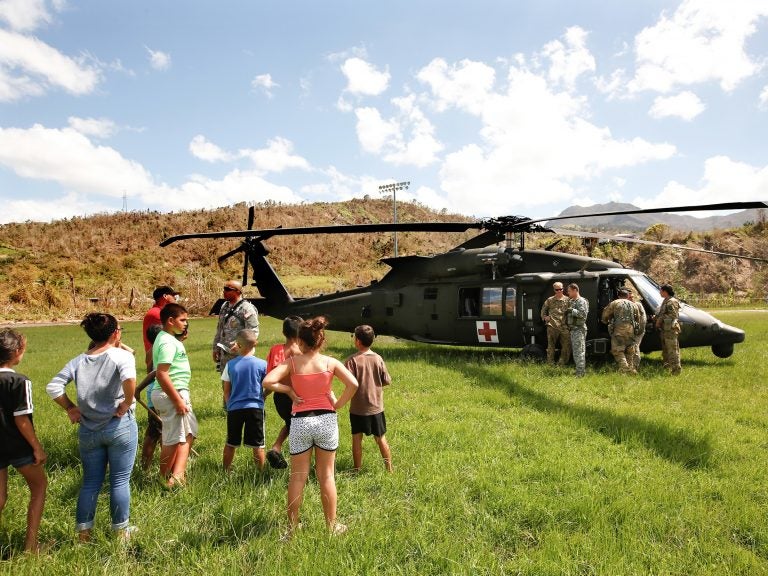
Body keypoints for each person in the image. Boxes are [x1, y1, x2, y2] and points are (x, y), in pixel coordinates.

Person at [263, 317, 358, 539]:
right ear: (320, 340)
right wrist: (337, 404)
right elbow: (353, 384)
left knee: (297, 477)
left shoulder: (292, 363)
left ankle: (292, 528)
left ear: (300, 341)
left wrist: (288, 391)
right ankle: (332, 526)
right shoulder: (330, 362)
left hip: (300, 422)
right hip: (326, 420)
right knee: (326, 476)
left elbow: (268, 382)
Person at [47, 314, 137, 542]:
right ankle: (121, 531)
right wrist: (127, 401)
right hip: (119, 426)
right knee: (119, 480)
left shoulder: (78, 360)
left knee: (90, 482)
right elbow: (128, 379)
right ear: (116, 333)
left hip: (88, 428)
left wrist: (70, 408)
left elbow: (53, 386)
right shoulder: (121, 356)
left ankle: (84, 534)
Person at [0, 329, 47, 553]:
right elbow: (22, 420)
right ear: (18, 351)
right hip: (19, 446)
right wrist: (37, 448)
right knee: (39, 487)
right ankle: (31, 547)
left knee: (0, 498)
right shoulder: (19, 381)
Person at [151, 303, 197, 488]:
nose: (186, 324)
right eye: (183, 320)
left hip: (177, 392)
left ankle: (178, 475)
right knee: (172, 437)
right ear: (170, 321)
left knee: (188, 432)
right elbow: (161, 373)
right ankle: (163, 478)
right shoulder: (167, 342)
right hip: (171, 394)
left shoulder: (169, 339)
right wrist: (177, 400)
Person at [344, 325, 393, 472]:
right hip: (376, 408)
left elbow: (348, 382)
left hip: (358, 409)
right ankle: (389, 469)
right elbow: (387, 380)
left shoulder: (351, 360)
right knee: (381, 438)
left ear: (357, 341)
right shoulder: (378, 358)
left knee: (356, 439)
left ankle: (357, 469)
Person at [222, 329, 268, 472]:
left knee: (231, 443)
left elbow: (226, 390)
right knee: (258, 444)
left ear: (238, 345)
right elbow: (269, 383)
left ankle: (226, 470)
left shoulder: (230, 365)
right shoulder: (263, 364)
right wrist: (264, 395)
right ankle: (260, 472)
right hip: (255, 408)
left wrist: (230, 404)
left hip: (235, 409)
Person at [213, 280, 259, 406]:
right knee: (226, 380)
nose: (224, 291)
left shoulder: (247, 308)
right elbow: (220, 328)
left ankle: (241, 407)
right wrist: (215, 348)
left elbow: (253, 331)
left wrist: (240, 345)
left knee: (240, 381)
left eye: (228, 289)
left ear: (237, 292)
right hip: (225, 353)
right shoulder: (224, 307)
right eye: (224, 289)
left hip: (240, 353)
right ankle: (228, 408)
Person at [265, 316, 303, 470]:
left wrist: (263, 395)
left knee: (290, 423)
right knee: (297, 427)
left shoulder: (275, 350)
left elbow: (270, 377)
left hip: (279, 397)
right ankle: (298, 462)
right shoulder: (301, 352)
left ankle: (276, 448)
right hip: (296, 396)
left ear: (283, 332)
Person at [601, 288, 641, 374]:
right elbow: (638, 318)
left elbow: (605, 315)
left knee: (618, 350)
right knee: (630, 350)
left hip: (619, 331)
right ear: (627, 296)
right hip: (631, 330)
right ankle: (631, 369)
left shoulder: (615, 303)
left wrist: (605, 321)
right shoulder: (634, 305)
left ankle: (625, 368)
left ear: (618, 296)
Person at [143, 286, 179, 372]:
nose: (175, 298)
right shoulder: (157, 313)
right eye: (173, 295)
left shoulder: (157, 311)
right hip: (159, 358)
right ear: (165, 296)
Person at [540, 282, 571, 366]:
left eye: (561, 289)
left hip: (564, 326)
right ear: (554, 290)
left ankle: (561, 363)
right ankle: (550, 364)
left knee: (567, 345)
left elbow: (571, 312)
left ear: (563, 289)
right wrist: (545, 317)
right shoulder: (550, 300)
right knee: (551, 346)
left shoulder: (568, 300)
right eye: (557, 290)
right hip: (552, 326)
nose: (559, 291)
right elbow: (543, 309)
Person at [655, 283, 681, 375]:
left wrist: (660, 318)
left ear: (665, 291)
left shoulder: (671, 301)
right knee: (666, 350)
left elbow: (673, 315)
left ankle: (676, 370)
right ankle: (667, 367)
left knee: (672, 350)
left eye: (661, 290)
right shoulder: (666, 300)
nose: (659, 292)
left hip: (670, 329)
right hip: (665, 329)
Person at [565, 283, 589, 377]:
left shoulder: (581, 301)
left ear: (575, 290)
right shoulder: (572, 301)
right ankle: (579, 371)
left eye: (569, 291)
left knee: (579, 352)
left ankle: (580, 373)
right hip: (573, 329)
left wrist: (571, 311)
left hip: (579, 329)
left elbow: (583, 315)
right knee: (576, 352)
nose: (568, 293)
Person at [628, 291, 647, 372]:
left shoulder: (637, 305)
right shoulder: (627, 305)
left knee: (635, 347)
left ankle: (635, 366)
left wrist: (639, 331)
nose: (631, 298)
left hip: (638, 331)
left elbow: (643, 319)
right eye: (629, 297)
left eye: (632, 297)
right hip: (630, 331)